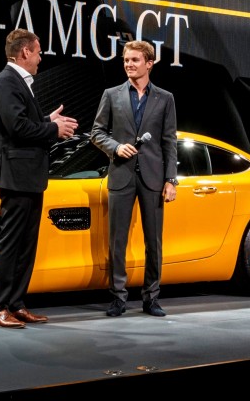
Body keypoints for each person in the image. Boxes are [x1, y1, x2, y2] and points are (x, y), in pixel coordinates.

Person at [0, 28, 78, 329]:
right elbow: (17, 128)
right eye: (38, 52)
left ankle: (16, 304)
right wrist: (53, 129)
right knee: (11, 242)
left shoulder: (18, 82)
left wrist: (48, 120)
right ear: (25, 52)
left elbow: (25, 122)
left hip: (28, 175)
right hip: (15, 174)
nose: (40, 58)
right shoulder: (7, 82)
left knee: (26, 244)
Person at [90, 39, 177, 317]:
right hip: (121, 175)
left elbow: (169, 142)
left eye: (135, 60)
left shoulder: (165, 98)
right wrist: (116, 147)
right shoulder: (111, 94)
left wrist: (171, 180)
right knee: (117, 241)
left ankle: (151, 298)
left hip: (153, 178)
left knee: (154, 242)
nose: (129, 64)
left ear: (149, 63)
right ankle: (118, 297)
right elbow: (96, 133)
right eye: (126, 60)